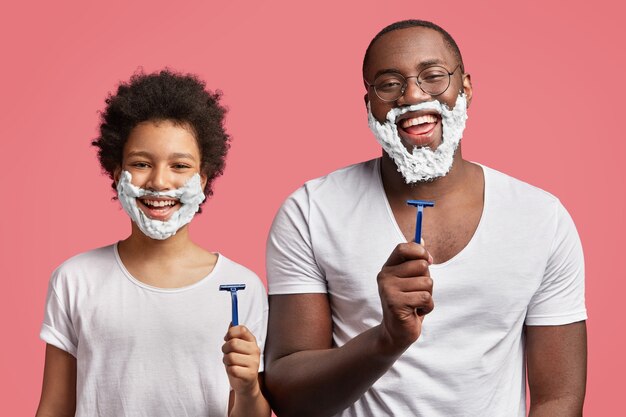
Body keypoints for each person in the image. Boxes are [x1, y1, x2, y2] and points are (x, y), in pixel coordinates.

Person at [264, 20, 587, 417]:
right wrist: (387, 338)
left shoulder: (542, 219)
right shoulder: (311, 212)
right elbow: (291, 399)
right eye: (388, 84)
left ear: (465, 88)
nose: (413, 95)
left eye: (433, 77)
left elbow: (558, 398)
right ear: (369, 104)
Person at [36, 70, 270, 417]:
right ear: (117, 173)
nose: (160, 182)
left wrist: (248, 387)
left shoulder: (243, 287)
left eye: (180, 165)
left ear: (203, 179)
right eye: (141, 164)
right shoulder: (74, 279)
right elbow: (54, 407)